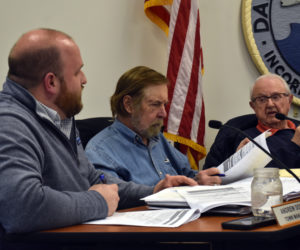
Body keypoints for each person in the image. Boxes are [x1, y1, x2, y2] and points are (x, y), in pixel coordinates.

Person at [0, 28, 198, 234]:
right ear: (51, 82)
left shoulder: (59, 117)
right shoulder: (9, 123)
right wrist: (97, 201)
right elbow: (20, 208)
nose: (84, 79)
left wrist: (153, 191)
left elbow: (95, 180)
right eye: (77, 72)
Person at [85, 66, 221, 186]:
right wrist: (157, 192)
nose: (164, 113)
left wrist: (200, 180)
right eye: (155, 104)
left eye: (165, 105)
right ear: (129, 105)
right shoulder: (99, 150)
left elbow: (187, 174)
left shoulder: (156, 138)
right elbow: (114, 194)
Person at [203, 73, 300, 170]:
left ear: (289, 100)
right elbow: (263, 175)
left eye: (276, 97)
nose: (270, 104)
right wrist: (295, 145)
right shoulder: (243, 138)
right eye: (262, 99)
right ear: (253, 106)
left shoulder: (297, 130)